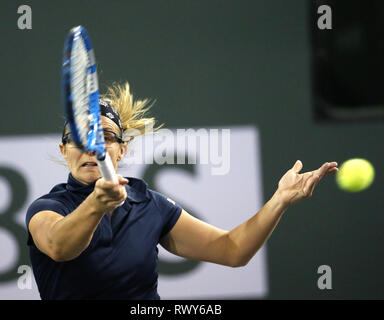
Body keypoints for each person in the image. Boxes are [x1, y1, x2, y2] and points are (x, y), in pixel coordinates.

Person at [25, 82, 338, 300]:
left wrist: (279, 201)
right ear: (64, 150)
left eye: (105, 137)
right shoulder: (46, 209)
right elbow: (59, 247)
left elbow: (233, 250)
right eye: (79, 138)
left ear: (122, 149)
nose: (91, 147)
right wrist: (96, 204)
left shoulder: (150, 206)